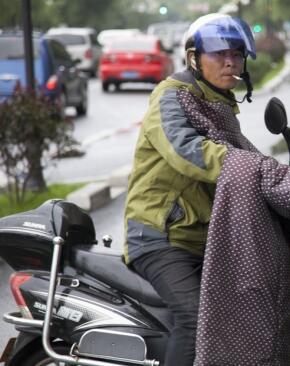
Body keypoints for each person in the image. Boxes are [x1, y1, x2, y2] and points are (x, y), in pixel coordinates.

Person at [122, 13, 257, 366]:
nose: (230, 62)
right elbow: (186, 151)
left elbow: (244, 159)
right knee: (199, 322)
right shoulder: (172, 98)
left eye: (237, 54)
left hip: (200, 237)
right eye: (219, 54)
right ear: (194, 58)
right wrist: (247, 167)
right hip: (160, 236)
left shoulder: (219, 105)